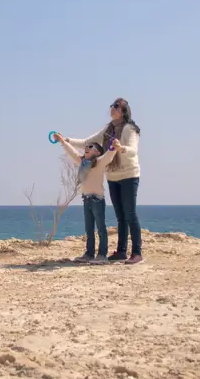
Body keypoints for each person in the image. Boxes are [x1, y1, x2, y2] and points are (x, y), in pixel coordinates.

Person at [58, 98, 143, 265]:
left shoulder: (129, 129)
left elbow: (133, 151)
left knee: (130, 214)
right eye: (112, 105)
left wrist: (121, 148)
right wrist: (66, 140)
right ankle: (121, 251)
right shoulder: (108, 129)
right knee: (120, 216)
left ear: (124, 111)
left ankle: (137, 253)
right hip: (112, 176)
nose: (112, 108)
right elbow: (86, 142)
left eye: (116, 106)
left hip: (129, 175)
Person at [54, 133, 115, 263]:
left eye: (90, 146)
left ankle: (102, 256)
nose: (86, 147)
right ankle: (89, 254)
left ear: (98, 152)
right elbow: (72, 152)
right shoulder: (82, 162)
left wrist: (114, 147)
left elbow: (109, 156)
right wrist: (62, 141)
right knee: (89, 229)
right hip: (86, 199)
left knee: (101, 228)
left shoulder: (99, 162)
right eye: (86, 146)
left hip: (97, 200)